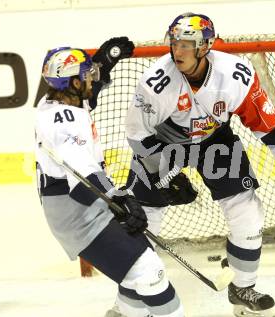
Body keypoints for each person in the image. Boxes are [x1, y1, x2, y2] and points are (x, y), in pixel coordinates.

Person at [123, 13, 275, 317]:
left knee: (248, 211)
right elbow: (137, 132)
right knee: (142, 222)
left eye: (187, 44)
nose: (178, 51)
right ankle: (127, 308)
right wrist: (164, 174)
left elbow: (268, 126)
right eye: (174, 42)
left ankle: (243, 287)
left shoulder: (237, 74)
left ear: (205, 47)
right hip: (162, 144)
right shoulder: (156, 83)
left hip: (215, 141)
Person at [35, 39, 184, 317]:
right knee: (149, 271)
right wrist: (121, 199)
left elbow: (86, 98)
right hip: (77, 213)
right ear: (75, 83)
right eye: (86, 75)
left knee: (135, 270)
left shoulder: (57, 101)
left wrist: (103, 64)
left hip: (83, 203)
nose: (91, 79)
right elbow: (83, 174)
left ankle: (126, 314)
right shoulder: (62, 120)